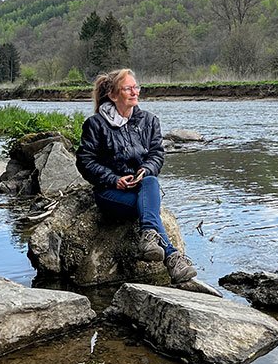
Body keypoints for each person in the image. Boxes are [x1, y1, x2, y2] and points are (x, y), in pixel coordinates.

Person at [75, 68, 197, 284]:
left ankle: (149, 237)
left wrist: (146, 169)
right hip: (110, 193)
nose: (135, 92)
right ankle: (173, 257)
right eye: (128, 88)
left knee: (150, 181)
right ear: (113, 95)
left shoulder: (149, 121)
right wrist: (113, 179)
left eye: (136, 87)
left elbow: (157, 154)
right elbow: (85, 161)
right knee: (148, 207)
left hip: (141, 186)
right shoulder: (95, 124)